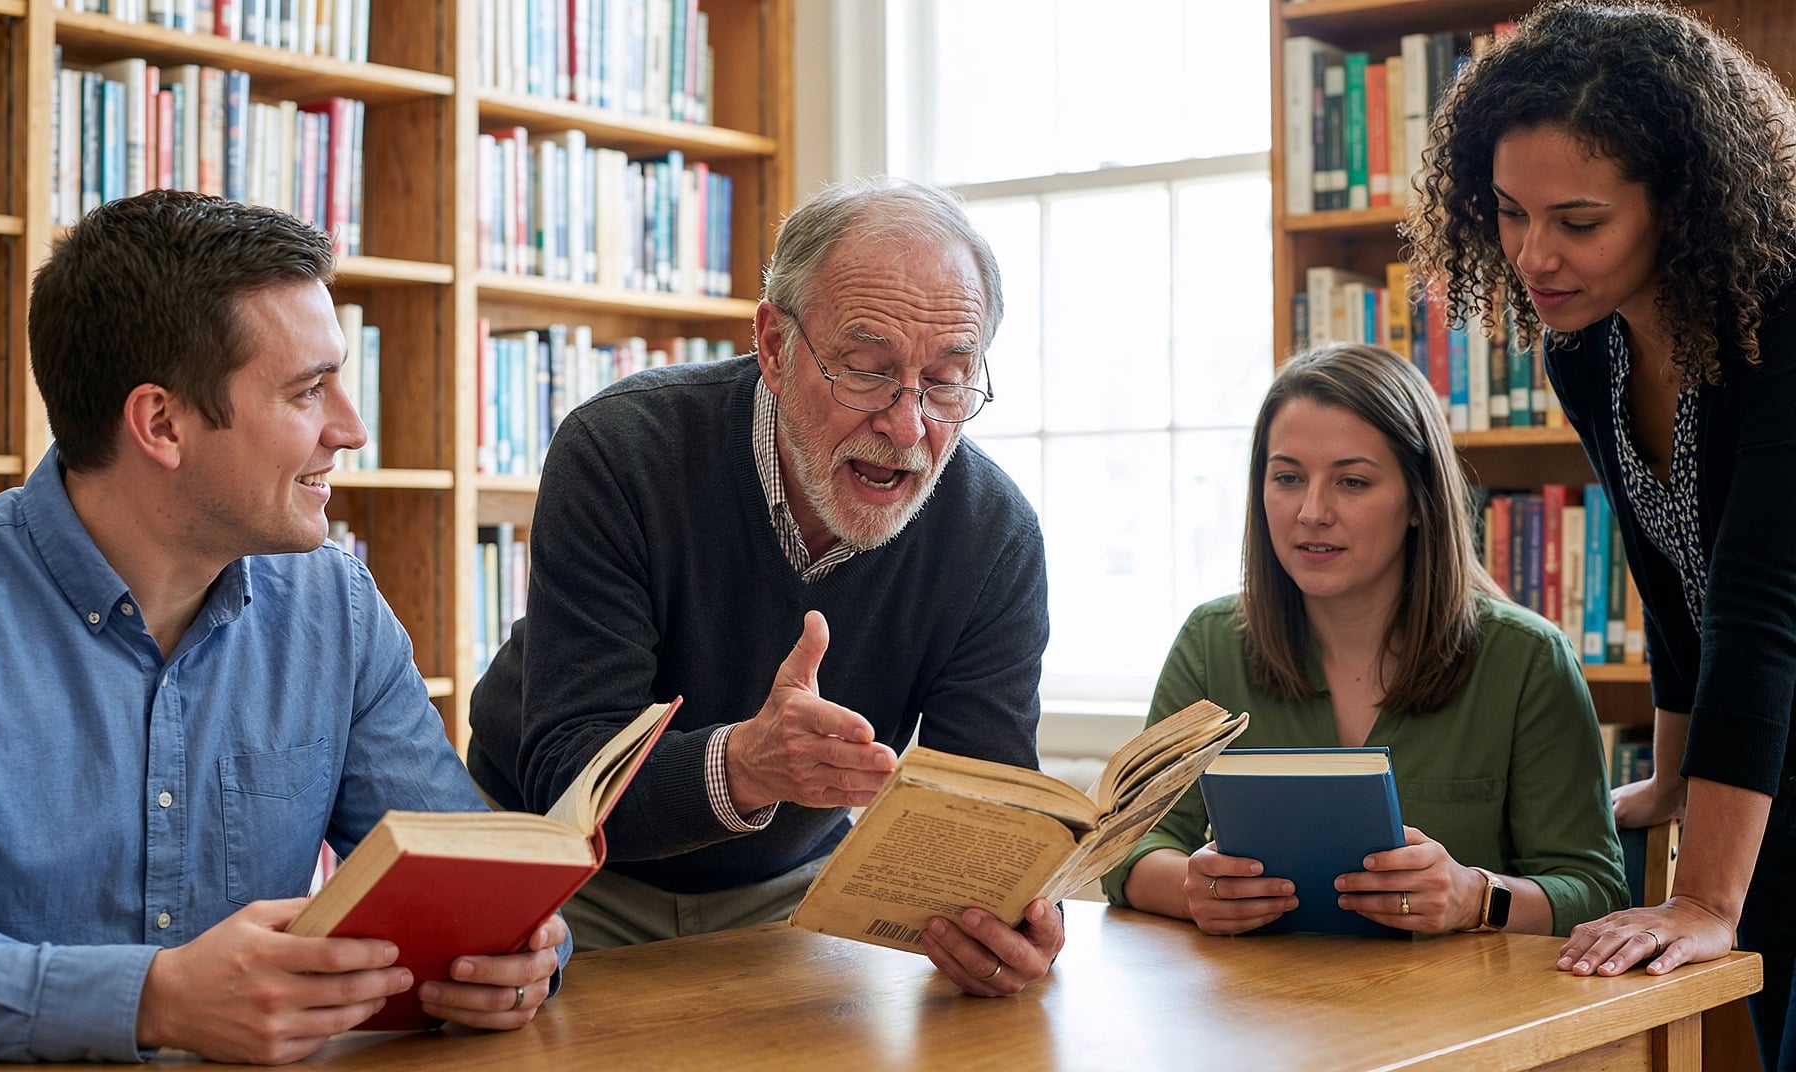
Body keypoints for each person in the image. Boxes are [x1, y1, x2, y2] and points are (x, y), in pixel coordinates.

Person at [0, 190, 570, 1064]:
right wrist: (151, 1000)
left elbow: (478, 886)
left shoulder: (337, 610)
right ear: (161, 423)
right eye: (309, 390)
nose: (351, 429)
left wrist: (517, 958)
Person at [467, 176, 1060, 994]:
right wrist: (744, 764)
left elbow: (980, 810)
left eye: (949, 379)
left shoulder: (994, 536)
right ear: (776, 348)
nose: (909, 425)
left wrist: (1006, 919)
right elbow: (570, 772)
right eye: (866, 370)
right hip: (559, 871)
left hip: (785, 891)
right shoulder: (621, 452)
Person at [1406, 2, 1796, 1065]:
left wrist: (1706, 894)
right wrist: (1672, 780)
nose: (1534, 255)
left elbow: (1760, 608)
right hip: (1764, 772)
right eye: (1508, 212)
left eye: (1578, 222)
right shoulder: (1587, 351)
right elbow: (1670, 573)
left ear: (1683, 202)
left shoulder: (1784, 332)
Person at [1102, 343, 1627, 939]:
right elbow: (1129, 847)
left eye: (1352, 481)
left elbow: (1595, 891)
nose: (1312, 511)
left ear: (1418, 503)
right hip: (1260, 1013)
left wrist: (1474, 897)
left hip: (1463, 1016)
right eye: (1287, 478)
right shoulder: (1209, 642)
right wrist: (1193, 890)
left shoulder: (1528, 660)